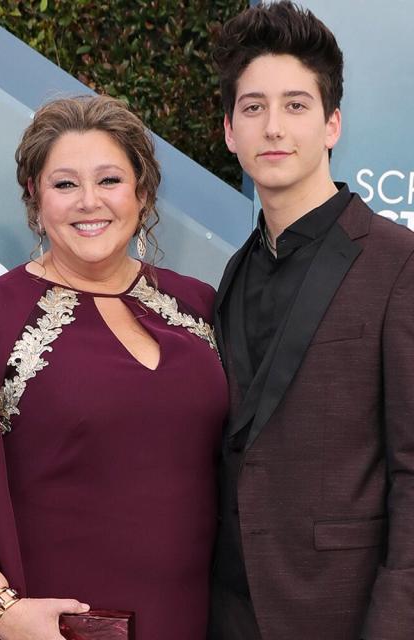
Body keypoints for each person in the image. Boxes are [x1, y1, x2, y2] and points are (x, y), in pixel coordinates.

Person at [0, 95, 228, 640]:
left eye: (110, 180)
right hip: (55, 630)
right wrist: (1, 610)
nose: (89, 203)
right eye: (65, 184)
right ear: (34, 195)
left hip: (197, 618)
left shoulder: (200, 305)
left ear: (142, 191)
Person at [208, 3, 414, 639]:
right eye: (253, 108)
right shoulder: (232, 273)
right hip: (228, 612)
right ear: (228, 130)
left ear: (332, 125)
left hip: (344, 614)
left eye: (295, 106)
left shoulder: (397, 263)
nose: (273, 127)